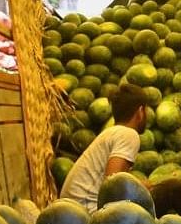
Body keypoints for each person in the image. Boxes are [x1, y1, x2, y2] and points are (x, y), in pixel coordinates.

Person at [59, 83, 148, 212]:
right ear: (140, 112)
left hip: (70, 212)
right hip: (87, 211)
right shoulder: (129, 134)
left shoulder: (111, 133)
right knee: (172, 190)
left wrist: (140, 186)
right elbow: (112, 185)